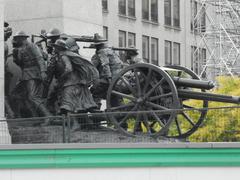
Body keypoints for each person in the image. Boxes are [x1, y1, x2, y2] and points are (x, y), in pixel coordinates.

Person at [46, 39, 98, 129]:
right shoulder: (62, 56)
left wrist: (62, 76)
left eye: (55, 47)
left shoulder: (63, 56)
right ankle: (88, 123)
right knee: (80, 104)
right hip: (76, 83)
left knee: (67, 104)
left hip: (71, 83)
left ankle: (75, 124)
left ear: (58, 48)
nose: (53, 49)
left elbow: (69, 68)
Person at [12, 31, 52, 122]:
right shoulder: (19, 49)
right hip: (25, 75)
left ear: (23, 38)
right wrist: (16, 55)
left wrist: (43, 72)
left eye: (17, 38)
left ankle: (48, 116)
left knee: (33, 97)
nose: (16, 40)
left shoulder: (32, 46)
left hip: (33, 74)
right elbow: (20, 64)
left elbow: (40, 59)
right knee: (18, 95)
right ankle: (35, 117)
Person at [90, 35, 123, 109]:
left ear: (98, 46)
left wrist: (109, 79)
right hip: (119, 78)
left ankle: (96, 111)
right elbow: (120, 63)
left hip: (110, 80)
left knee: (95, 91)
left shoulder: (101, 52)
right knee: (114, 97)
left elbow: (105, 65)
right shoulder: (112, 51)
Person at [4, 21, 15, 118]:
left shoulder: (3, 45)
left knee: (3, 94)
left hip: (3, 73)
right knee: (6, 94)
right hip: (5, 72)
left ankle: (11, 113)